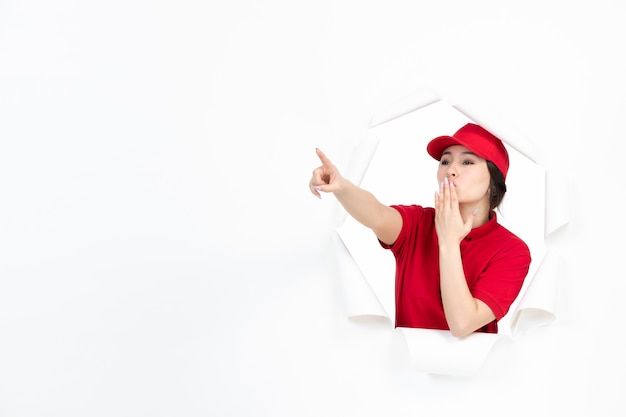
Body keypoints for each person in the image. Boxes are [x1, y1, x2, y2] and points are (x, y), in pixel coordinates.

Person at [309, 123, 531, 337]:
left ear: (494, 179)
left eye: (467, 162)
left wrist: (448, 241)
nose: (451, 170)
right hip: (403, 371)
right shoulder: (418, 223)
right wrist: (342, 187)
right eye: (445, 161)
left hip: (471, 374)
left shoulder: (512, 251)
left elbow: (462, 323)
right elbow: (376, 214)